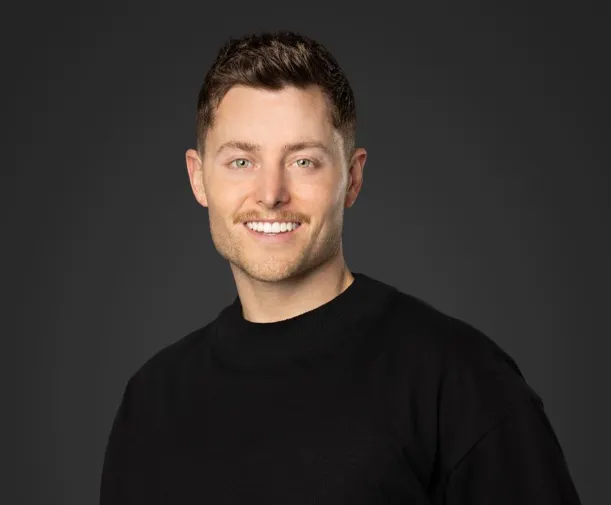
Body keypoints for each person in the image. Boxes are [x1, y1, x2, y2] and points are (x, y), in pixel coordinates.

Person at [99, 30, 582, 504]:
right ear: (198, 177)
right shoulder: (151, 401)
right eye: (242, 162)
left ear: (352, 178)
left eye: (303, 162)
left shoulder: (458, 380)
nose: (271, 194)